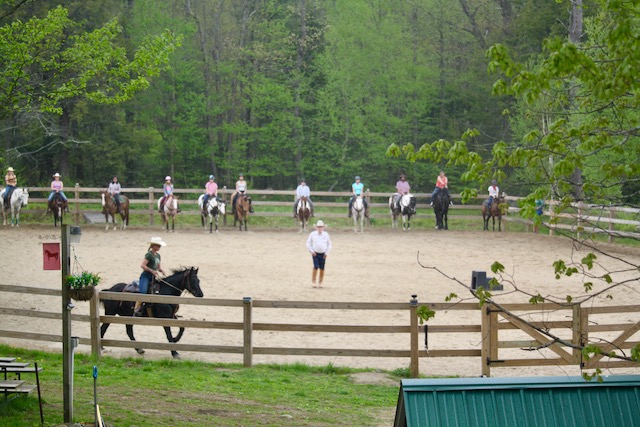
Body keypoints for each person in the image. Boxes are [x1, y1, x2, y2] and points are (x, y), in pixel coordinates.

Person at [134, 237, 167, 316]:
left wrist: (161, 270)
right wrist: (152, 271)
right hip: (146, 276)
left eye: (159, 246)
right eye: (158, 246)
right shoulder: (149, 254)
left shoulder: (158, 256)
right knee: (144, 292)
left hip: (153, 277)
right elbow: (143, 265)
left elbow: (158, 267)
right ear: (153, 246)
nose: (159, 247)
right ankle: (137, 308)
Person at [306, 220, 332, 288]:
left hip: (323, 254)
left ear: (323, 227)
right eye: (318, 227)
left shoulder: (326, 235)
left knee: (322, 268)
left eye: (321, 227)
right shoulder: (313, 234)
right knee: (316, 266)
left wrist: (327, 252)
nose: (320, 228)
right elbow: (308, 243)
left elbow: (329, 244)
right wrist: (311, 251)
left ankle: (320, 282)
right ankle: (313, 281)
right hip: (315, 253)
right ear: (316, 228)